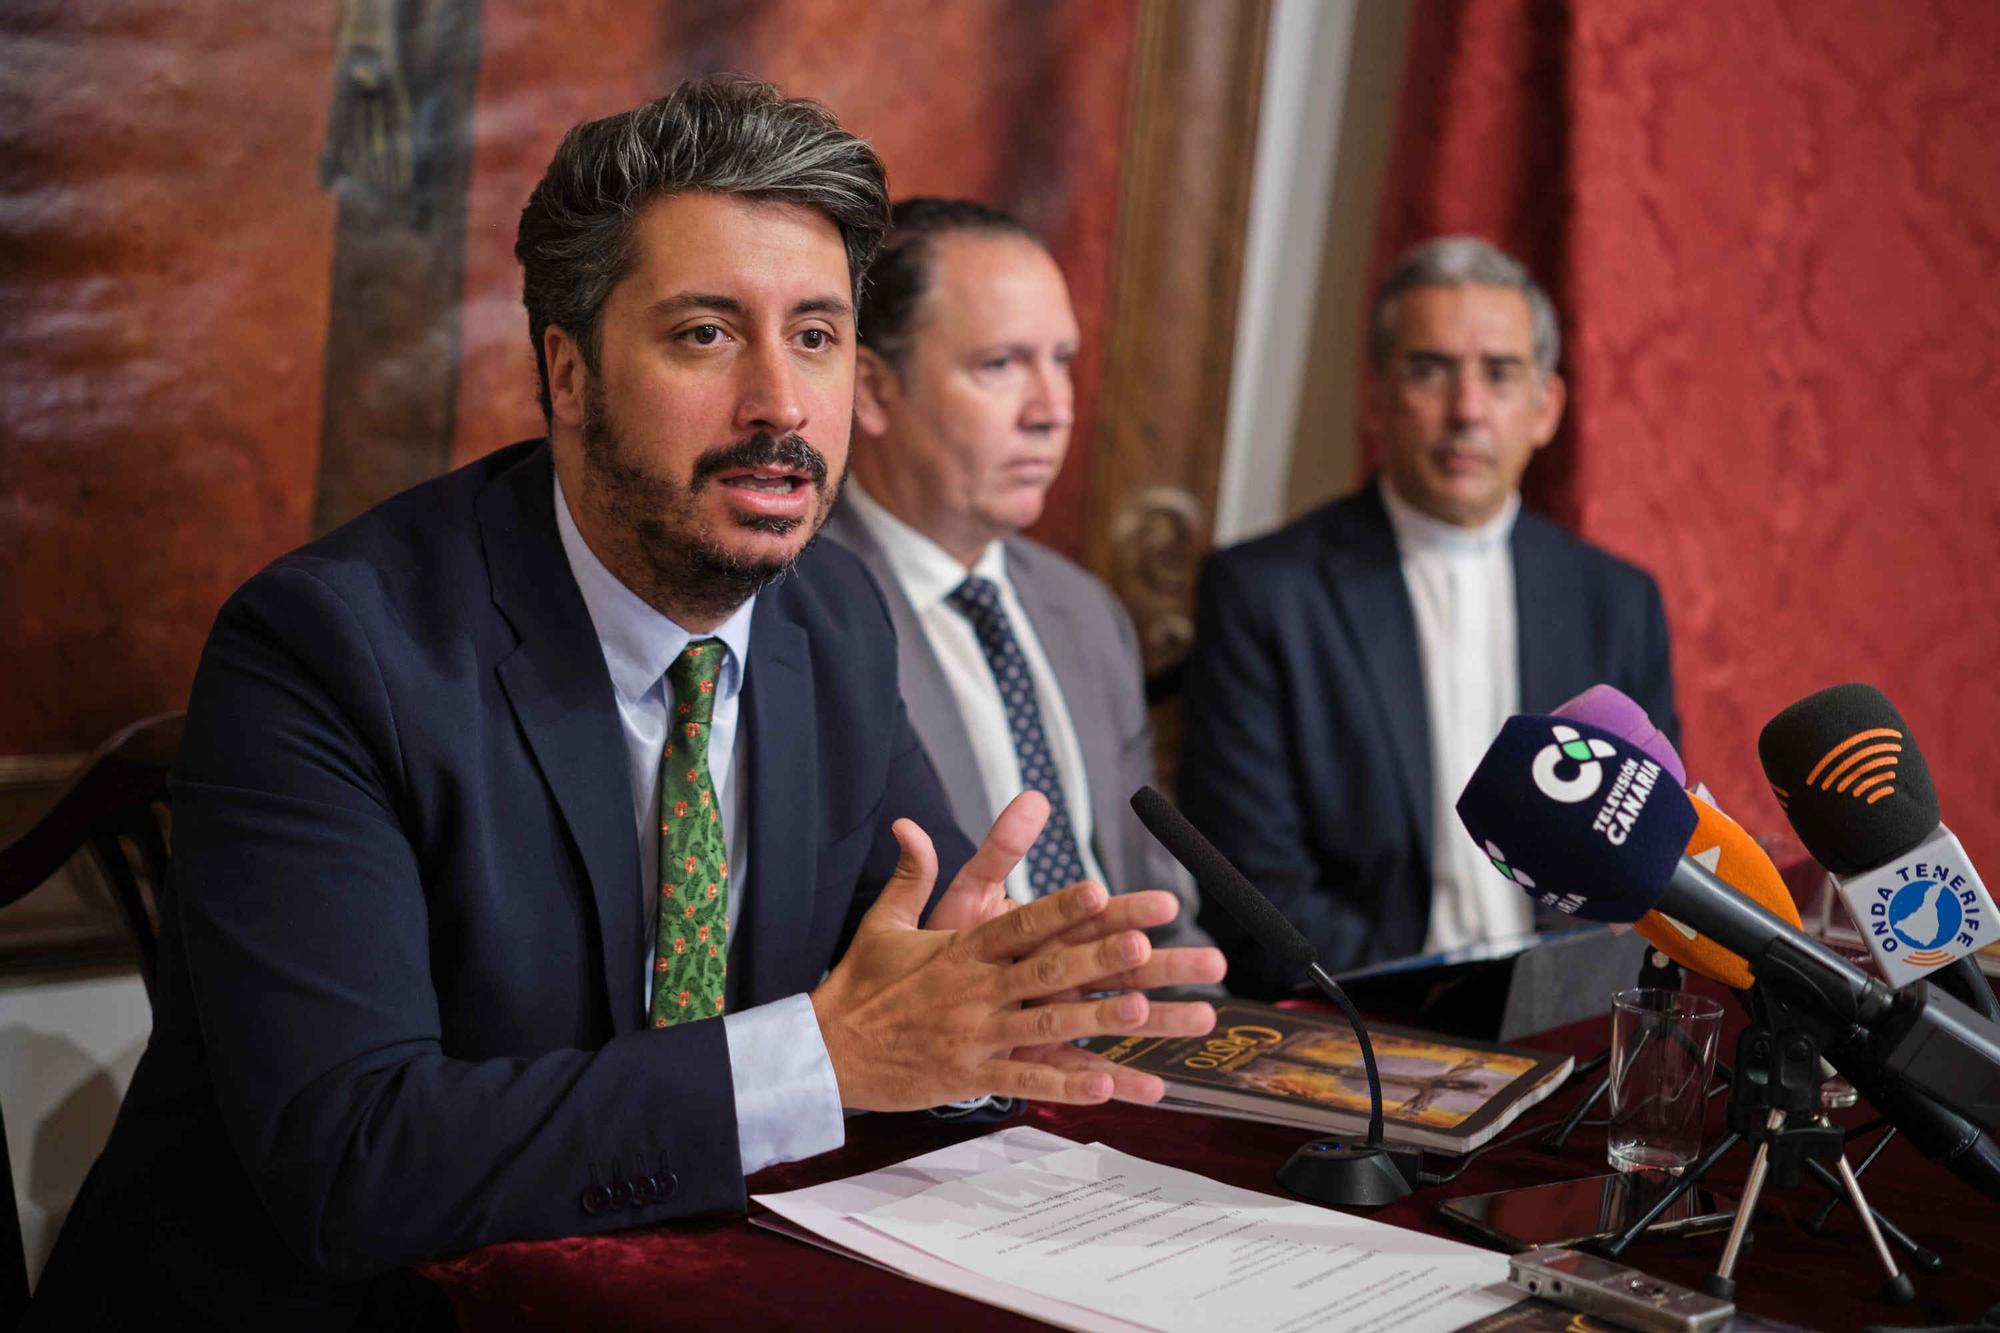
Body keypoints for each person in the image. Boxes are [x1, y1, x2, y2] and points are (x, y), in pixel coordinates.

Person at [30, 78, 1221, 1330]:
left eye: (814, 335)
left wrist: (990, 1008)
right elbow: (354, 1161)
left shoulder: (835, 617)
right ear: (567, 372)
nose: (779, 403)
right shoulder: (330, 650)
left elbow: (902, 994)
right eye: (705, 334)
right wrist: (829, 1054)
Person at [1179, 236, 1676, 997]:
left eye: (1500, 374)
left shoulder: (1617, 599)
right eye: (1429, 369)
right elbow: (1254, 889)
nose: (1467, 409)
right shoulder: (1263, 594)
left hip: (1573, 1013)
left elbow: (1646, 850)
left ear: (1545, 409)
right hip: (1360, 1019)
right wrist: (1435, 1008)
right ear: (1376, 399)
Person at [822, 199, 1208, 952]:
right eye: (1000, 365)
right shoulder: (798, 614)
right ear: (868, 390)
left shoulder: (1085, 610)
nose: (1052, 409)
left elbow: (1157, 896)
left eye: (1060, 359)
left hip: (1135, 1038)